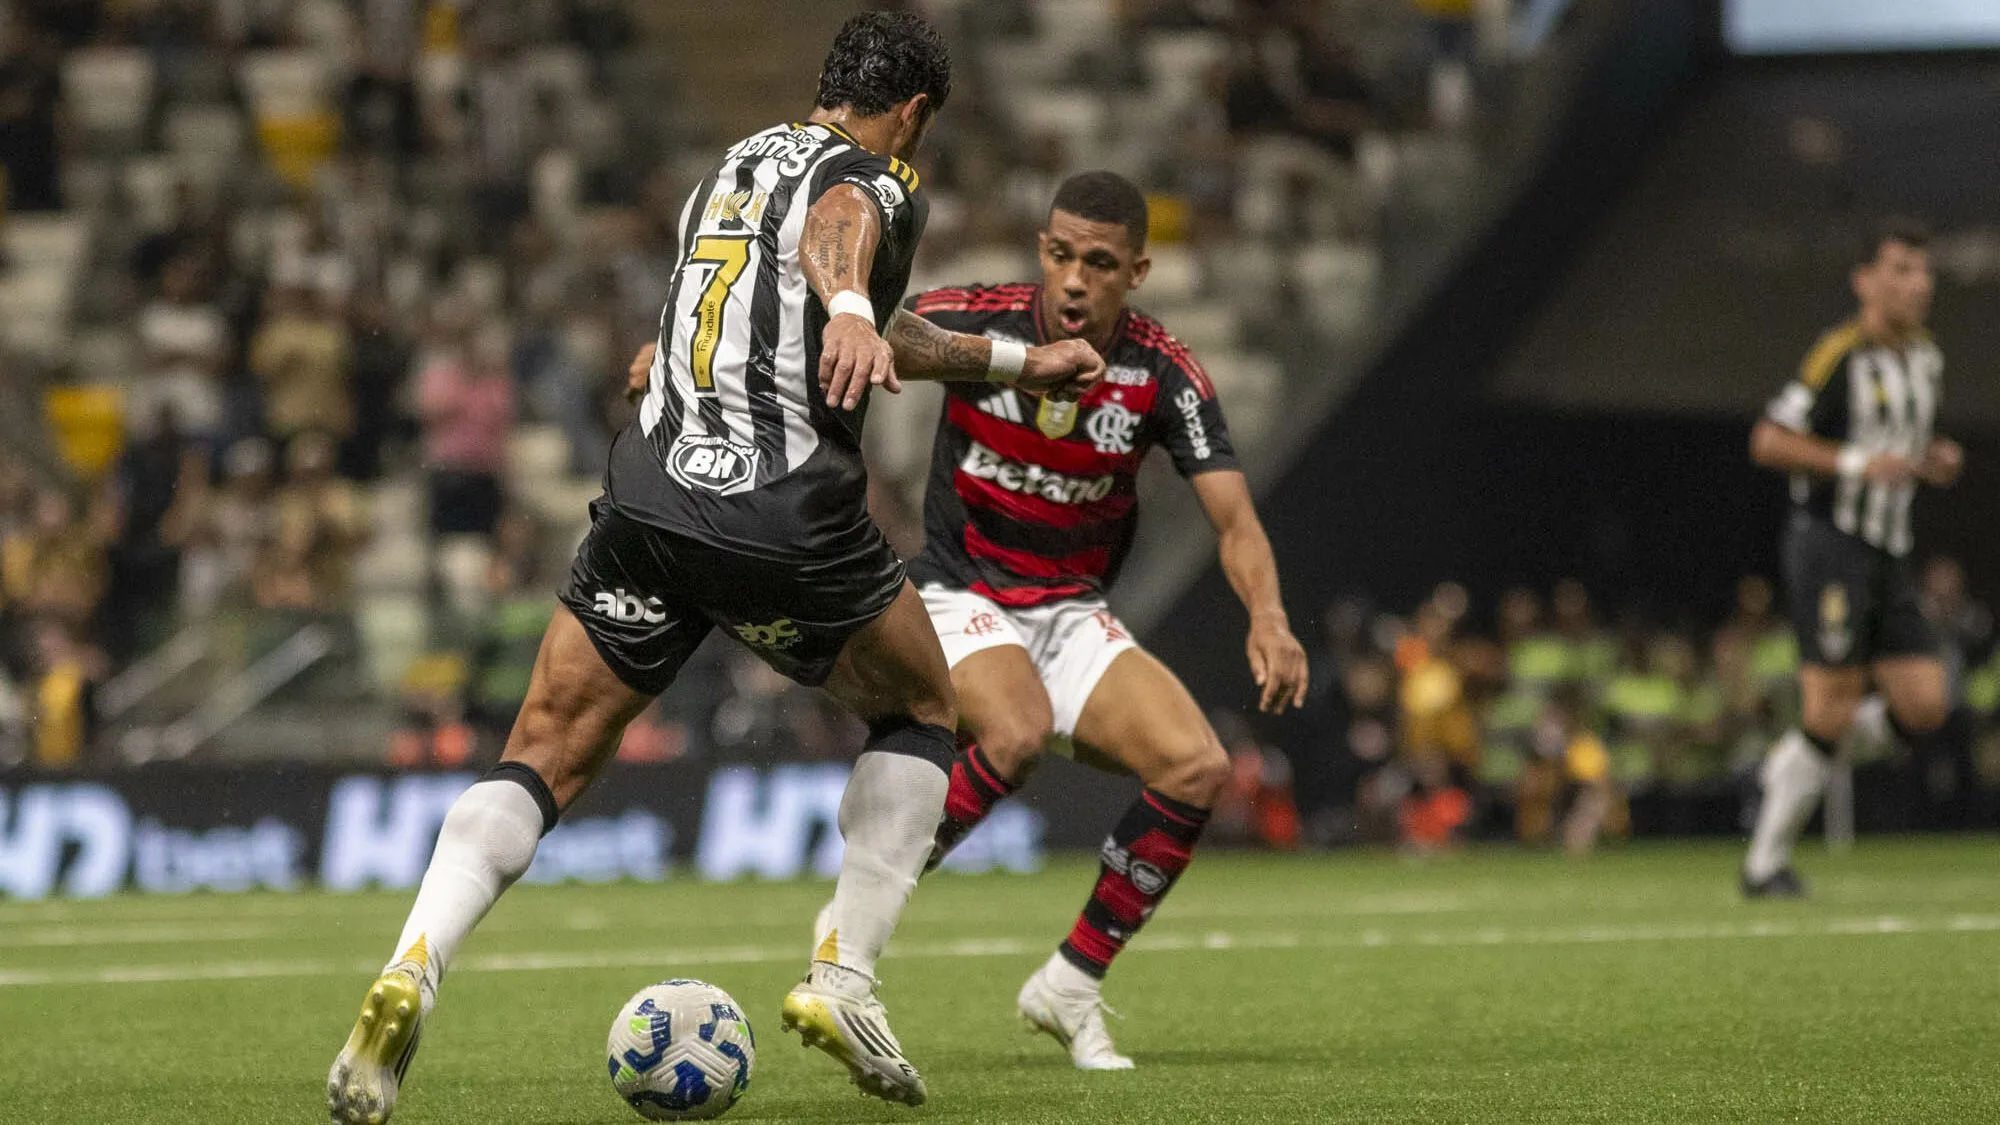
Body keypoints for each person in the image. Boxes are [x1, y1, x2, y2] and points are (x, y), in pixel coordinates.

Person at [326, 14, 1102, 1123]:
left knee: (541, 750)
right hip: (781, 516)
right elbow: (840, 236)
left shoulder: (731, 167)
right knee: (928, 707)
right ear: (916, 112)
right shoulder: (876, 181)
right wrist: (844, 300)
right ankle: (844, 979)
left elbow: (869, 326)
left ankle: (412, 966)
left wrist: (1020, 361)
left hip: (649, 498)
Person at [877, 171, 1309, 1068]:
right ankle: (859, 916)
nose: (1075, 279)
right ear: (1043, 249)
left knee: (1197, 767)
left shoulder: (1163, 374)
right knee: (1016, 728)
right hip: (961, 590)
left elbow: (1234, 519)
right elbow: (859, 332)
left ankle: (1070, 984)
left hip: (1069, 612)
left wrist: (1268, 615)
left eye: (1100, 263)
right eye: (1061, 255)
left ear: (1137, 272)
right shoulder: (974, 315)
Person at [1740, 219, 1963, 898]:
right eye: (1899, 269)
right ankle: (1763, 865)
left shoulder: (1926, 357)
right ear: (1864, 280)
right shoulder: (1838, 354)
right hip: (1830, 546)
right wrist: (1858, 462)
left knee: (1925, 703)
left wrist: (1933, 460)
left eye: (1922, 270)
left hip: (1890, 551)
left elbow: (1902, 446)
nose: (1915, 283)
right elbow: (1769, 440)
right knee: (1831, 705)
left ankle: (1799, 753)